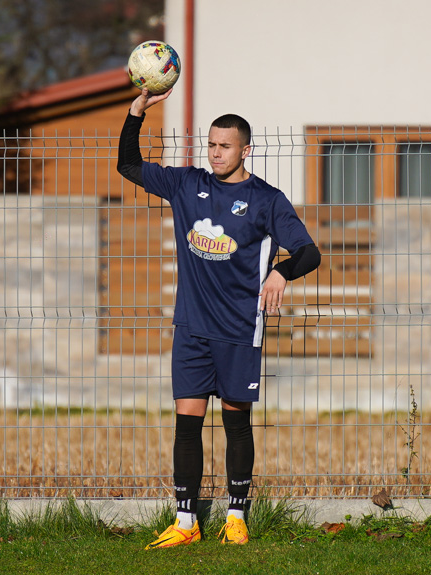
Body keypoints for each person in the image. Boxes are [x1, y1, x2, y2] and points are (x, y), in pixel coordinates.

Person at [117, 88, 321, 549]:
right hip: (191, 328)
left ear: (245, 149)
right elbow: (128, 166)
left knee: (235, 423)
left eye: (224, 145)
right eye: (211, 144)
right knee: (186, 424)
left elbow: (309, 252)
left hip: (238, 331)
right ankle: (186, 523)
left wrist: (281, 273)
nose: (215, 152)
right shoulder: (188, 185)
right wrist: (136, 113)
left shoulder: (266, 199)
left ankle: (235, 517)